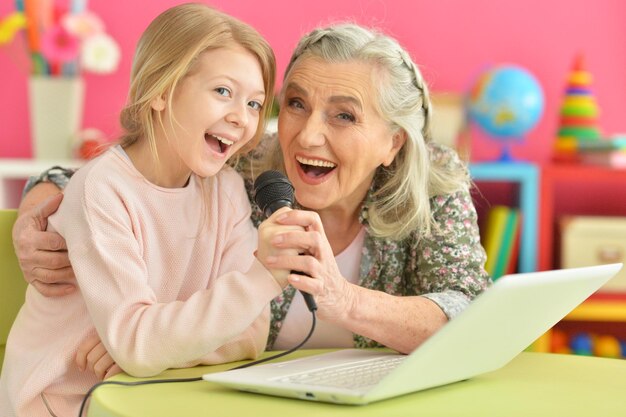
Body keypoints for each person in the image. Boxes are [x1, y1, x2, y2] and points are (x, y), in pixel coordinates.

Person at [12, 22, 491, 376]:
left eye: (344, 116)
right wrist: (39, 207)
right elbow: (125, 172)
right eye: (296, 105)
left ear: (393, 143)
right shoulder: (242, 162)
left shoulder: (434, 188)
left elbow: (473, 315)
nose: (308, 136)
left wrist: (340, 298)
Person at [0, 4, 299, 416]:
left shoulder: (226, 191)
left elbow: (250, 331)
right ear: (161, 90)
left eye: (254, 104)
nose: (241, 118)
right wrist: (262, 277)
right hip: (62, 404)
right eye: (223, 92)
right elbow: (140, 343)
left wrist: (154, 351)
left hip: (154, 393)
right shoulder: (103, 190)